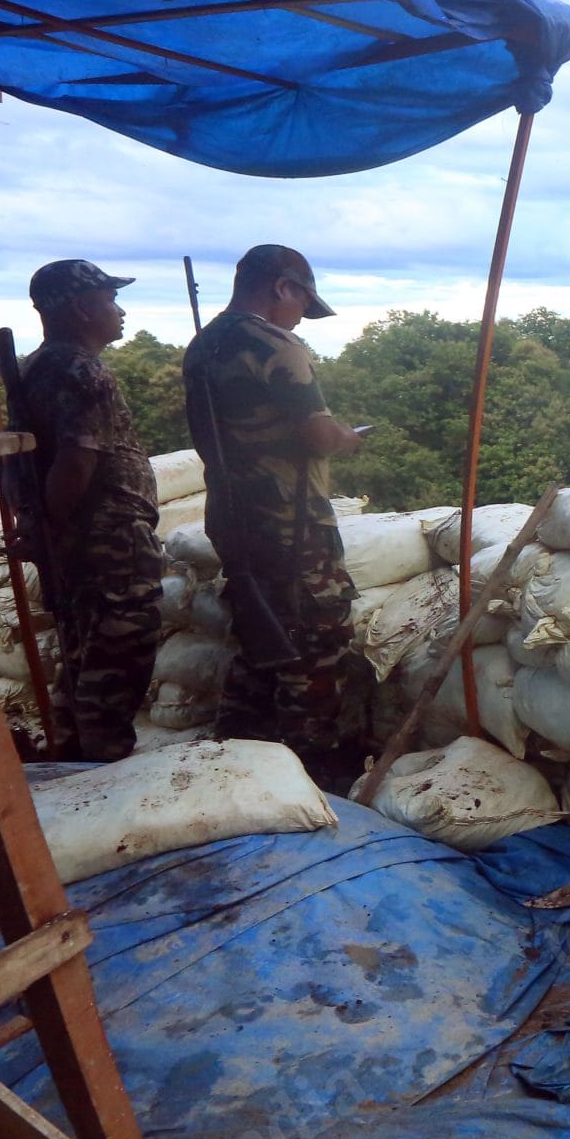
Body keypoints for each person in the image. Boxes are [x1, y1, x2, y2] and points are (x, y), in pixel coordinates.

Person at [181, 245, 366, 785]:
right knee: (315, 640)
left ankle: (236, 760)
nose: (299, 318)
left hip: (234, 516)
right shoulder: (273, 343)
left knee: (259, 636)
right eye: (301, 304)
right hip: (293, 521)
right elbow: (315, 432)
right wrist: (346, 439)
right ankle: (310, 772)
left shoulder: (203, 345)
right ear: (284, 287)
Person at [19, 260, 163, 761]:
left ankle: (73, 752)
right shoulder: (83, 370)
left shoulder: (37, 366)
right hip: (109, 538)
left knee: (83, 649)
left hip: (80, 535)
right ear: (81, 308)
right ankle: (104, 762)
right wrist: (56, 528)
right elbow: (77, 461)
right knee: (119, 648)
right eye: (109, 300)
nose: (119, 311)